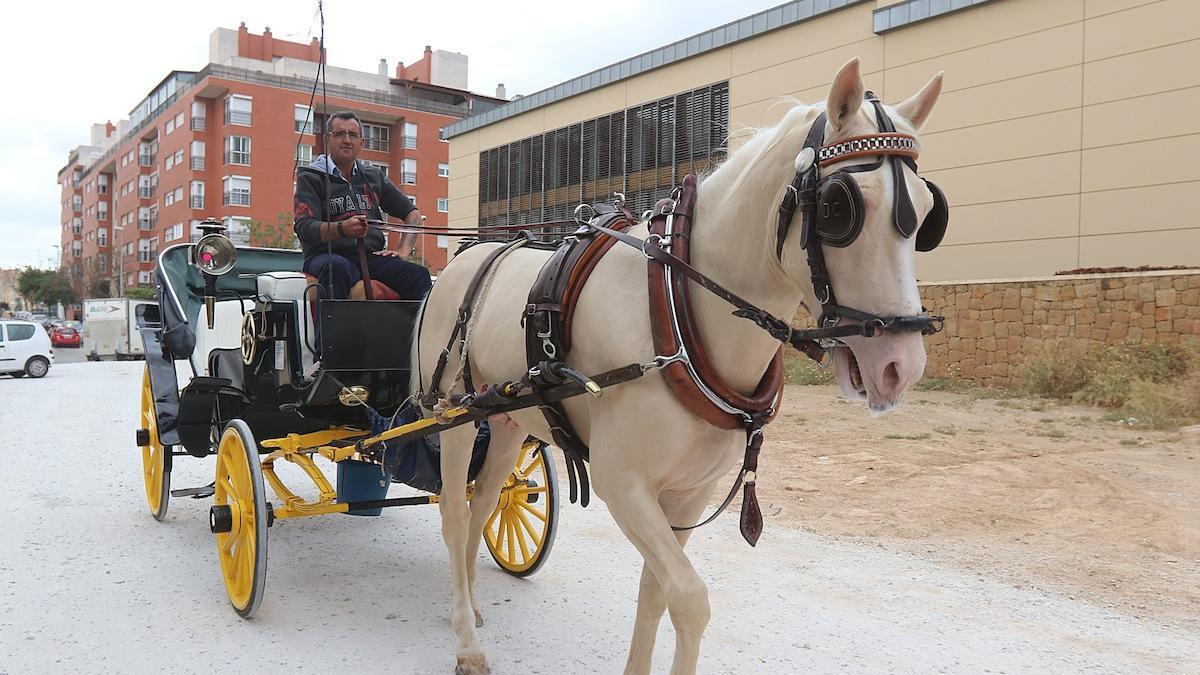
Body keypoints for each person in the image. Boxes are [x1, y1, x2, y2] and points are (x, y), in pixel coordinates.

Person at [293, 111, 432, 302]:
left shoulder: (373, 176)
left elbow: (412, 215)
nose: (347, 140)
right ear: (327, 140)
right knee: (336, 269)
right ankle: (331, 332)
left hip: (369, 257)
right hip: (326, 256)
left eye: (353, 135)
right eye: (340, 134)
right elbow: (304, 228)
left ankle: (414, 332)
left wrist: (403, 251)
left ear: (362, 142)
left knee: (418, 275)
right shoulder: (311, 177)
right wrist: (342, 229)